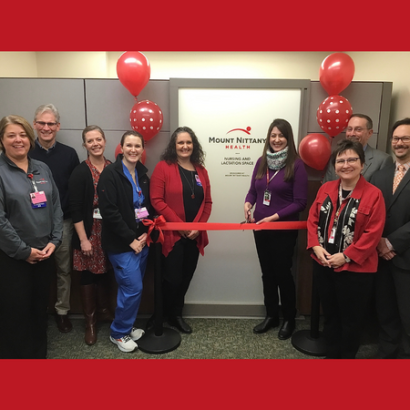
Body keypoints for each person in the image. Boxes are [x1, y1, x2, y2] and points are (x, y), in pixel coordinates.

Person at [307, 139, 386, 358]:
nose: (346, 164)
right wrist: (315, 246)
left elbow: (374, 233)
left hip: (356, 271)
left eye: (352, 159)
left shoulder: (374, 194)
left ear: (362, 165)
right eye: (340, 160)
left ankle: (345, 360)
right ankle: (331, 355)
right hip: (324, 263)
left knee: (351, 320)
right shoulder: (325, 188)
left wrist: (347, 256)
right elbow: (312, 220)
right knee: (330, 316)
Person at [0, 115, 63, 359]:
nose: (18, 140)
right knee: (15, 314)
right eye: (11, 135)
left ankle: (38, 357)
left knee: (39, 311)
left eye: (23, 134)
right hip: (12, 258)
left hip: (44, 254)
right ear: (2, 140)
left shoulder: (41, 168)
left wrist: (54, 241)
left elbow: (55, 206)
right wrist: (23, 251)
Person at [244, 118, 308, 340]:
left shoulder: (297, 164)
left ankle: (289, 318)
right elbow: (254, 190)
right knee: (267, 273)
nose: (277, 139)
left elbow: (300, 202)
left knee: (282, 273)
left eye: (281, 135)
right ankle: (271, 316)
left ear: (288, 138)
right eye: (273, 135)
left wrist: (274, 217)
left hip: (283, 229)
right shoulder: (262, 161)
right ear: (268, 137)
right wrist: (247, 203)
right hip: (261, 228)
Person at [150, 126, 212, 334]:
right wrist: (181, 225)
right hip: (172, 235)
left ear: (193, 145)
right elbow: (156, 201)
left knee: (186, 276)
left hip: (194, 235)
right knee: (171, 278)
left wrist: (197, 227)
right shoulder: (163, 167)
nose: (185, 146)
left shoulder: (201, 170)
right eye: (180, 143)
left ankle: (176, 315)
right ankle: (160, 315)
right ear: (174, 146)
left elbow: (208, 203)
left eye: (188, 142)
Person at [98, 131, 152, 353]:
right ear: (121, 148)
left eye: (137, 146)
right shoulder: (110, 174)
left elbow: (147, 206)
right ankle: (118, 333)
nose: (133, 150)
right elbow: (109, 212)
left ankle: (127, 326)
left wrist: (146, 234)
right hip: (122, 244)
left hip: (141, 241)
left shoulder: (142, 173)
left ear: (142, 149)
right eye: (128, 145)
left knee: (132, 289)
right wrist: (131, 240)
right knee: (133, 287)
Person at [29, 103, 80, 333]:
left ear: (58, 126)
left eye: (51, 123)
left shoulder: (69, 154)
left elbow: (75, 190)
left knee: (63, 270)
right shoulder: (25, 152)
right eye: (42, 123)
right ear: (34, 124)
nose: (46, 127)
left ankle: (62, 312)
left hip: (63, 224)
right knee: (33, 269)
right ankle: (34, 313)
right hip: (32, 223)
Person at [69, 125, 112, 346]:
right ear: (84, 145)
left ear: (105, 141)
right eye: (90, 140)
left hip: (109, 232)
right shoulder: (80, 171)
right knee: (87, 274)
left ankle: (105, 311)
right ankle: (91, 323)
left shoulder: (113, 168)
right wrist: (84, 239)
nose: (95, 143)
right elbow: (75, 208)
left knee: (105, 271)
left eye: (98, 139)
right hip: (87, 231)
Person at [370, 118, 410, 358]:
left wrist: (390, 242)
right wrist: (378, 242)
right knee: (385, 311)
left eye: (405, 138)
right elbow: (371, 214)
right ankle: (386, 353)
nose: (399, 143)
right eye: (396, 138)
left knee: (407, 314)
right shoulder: (380, 175)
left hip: (405, 257)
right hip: (381, 258)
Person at [322, 114, 393, 183]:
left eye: (358, 130)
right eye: (349, 129)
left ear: (369, 133)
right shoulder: (335, 157)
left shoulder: (382, 160)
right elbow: (326, 189)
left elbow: (382, 191)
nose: (352, 133)